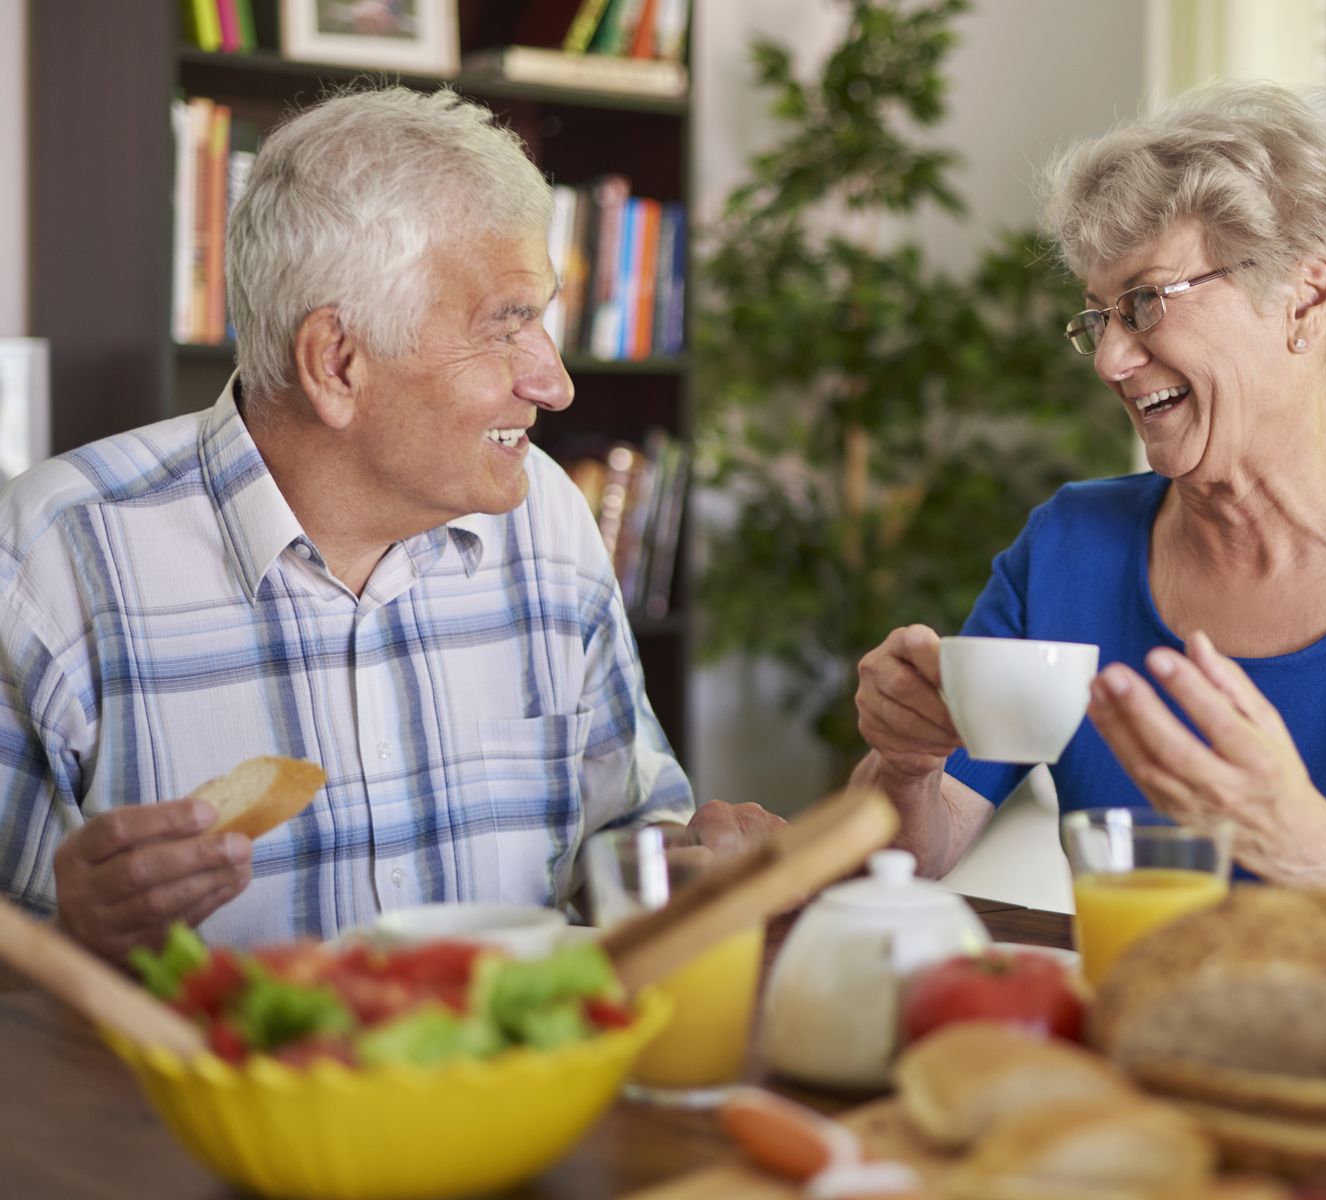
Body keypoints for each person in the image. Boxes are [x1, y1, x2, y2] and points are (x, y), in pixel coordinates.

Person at [0, 86, 782, 964]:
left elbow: (618, 841)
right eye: (506, 327)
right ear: (338, 363)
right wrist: (76, 936)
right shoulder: (49, 560)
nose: (553, 384)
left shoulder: (550, 517)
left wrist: (684, 869)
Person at [852, 81, 1326, 984]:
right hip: (1129, 1053)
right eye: (1100, 317)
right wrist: (907, 763)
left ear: (1307, 300)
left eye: (1147, 302)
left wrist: (1292, 835)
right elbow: (919, 852)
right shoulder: (1071, 546)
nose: (1113, 358)